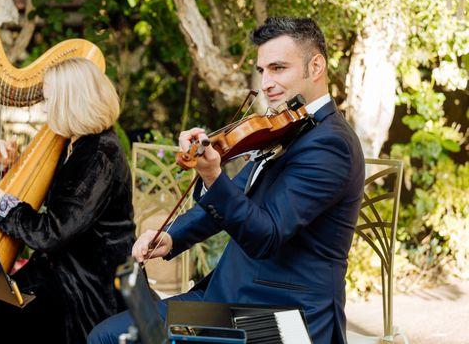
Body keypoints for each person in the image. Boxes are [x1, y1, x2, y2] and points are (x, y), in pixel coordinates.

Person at [88, 17, 365, 344]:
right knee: (108, 334)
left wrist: (212, 174)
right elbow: (234, 195)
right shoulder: (286, 129)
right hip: (233, 296)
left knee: (110, 338)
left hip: (282, 315)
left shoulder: (330, 144)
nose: (266, 82)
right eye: (263, 71)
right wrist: (173, 237)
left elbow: (266, 236)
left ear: (315, 66)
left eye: (278, 68)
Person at [0, 57, 136, 343]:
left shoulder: (99, 155)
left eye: (49, 100)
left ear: (69, 102)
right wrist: (10, 166)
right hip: (63, 271)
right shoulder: (75, 143)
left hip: (89, 287)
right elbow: (55, 198)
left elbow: (51, 233)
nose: (44, 107)